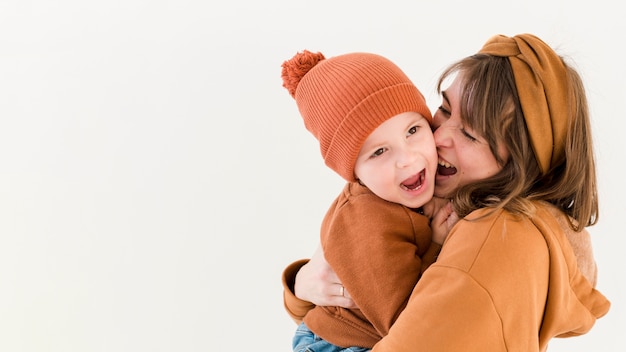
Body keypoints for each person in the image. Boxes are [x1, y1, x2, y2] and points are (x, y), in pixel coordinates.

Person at [281, 33, 611, 351]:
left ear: (522, 163)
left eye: (469, 134)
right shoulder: (417, 200)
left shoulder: (494, 237)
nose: (437, 139)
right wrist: (302, 285)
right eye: (445, 108)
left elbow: (405, 318)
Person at [281, 50, 456, 352]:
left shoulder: (407, 191)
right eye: (378, 152)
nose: (407, 158)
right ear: (354, 174)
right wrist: (439, 244)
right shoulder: (368, 222)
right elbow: (407, 321)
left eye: (413, 130)